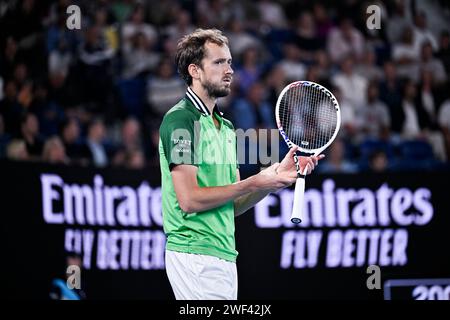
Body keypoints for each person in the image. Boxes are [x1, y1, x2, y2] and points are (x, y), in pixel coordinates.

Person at [158, 28, 324, 300]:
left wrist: (272, 180)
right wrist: (255, 181)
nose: (229, 70)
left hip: (223, 255)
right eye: (219, 62)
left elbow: (232, 205)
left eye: (230, 62)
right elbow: (188, 200)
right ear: (195, 70)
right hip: (194, 253)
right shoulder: (181, 121)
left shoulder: (225, 127)